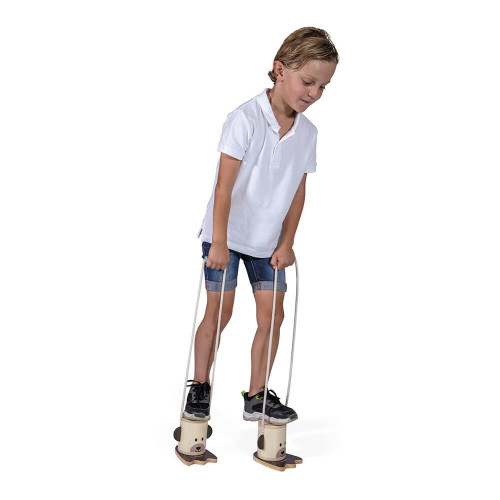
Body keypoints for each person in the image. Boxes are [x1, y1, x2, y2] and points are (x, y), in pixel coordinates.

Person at [183, 27, 338, 425]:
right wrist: (219, 242)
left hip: (267, 242)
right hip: (226, 236)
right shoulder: (245, 118)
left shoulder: (308, 133)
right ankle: (200, 386)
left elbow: (298, 193)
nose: (314, 93)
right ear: (280, 70)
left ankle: (256, 395)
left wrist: (287, 242)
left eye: (323, 87)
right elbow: (223, 187)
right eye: (308, 82)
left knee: (273, 316)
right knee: (220, 312)